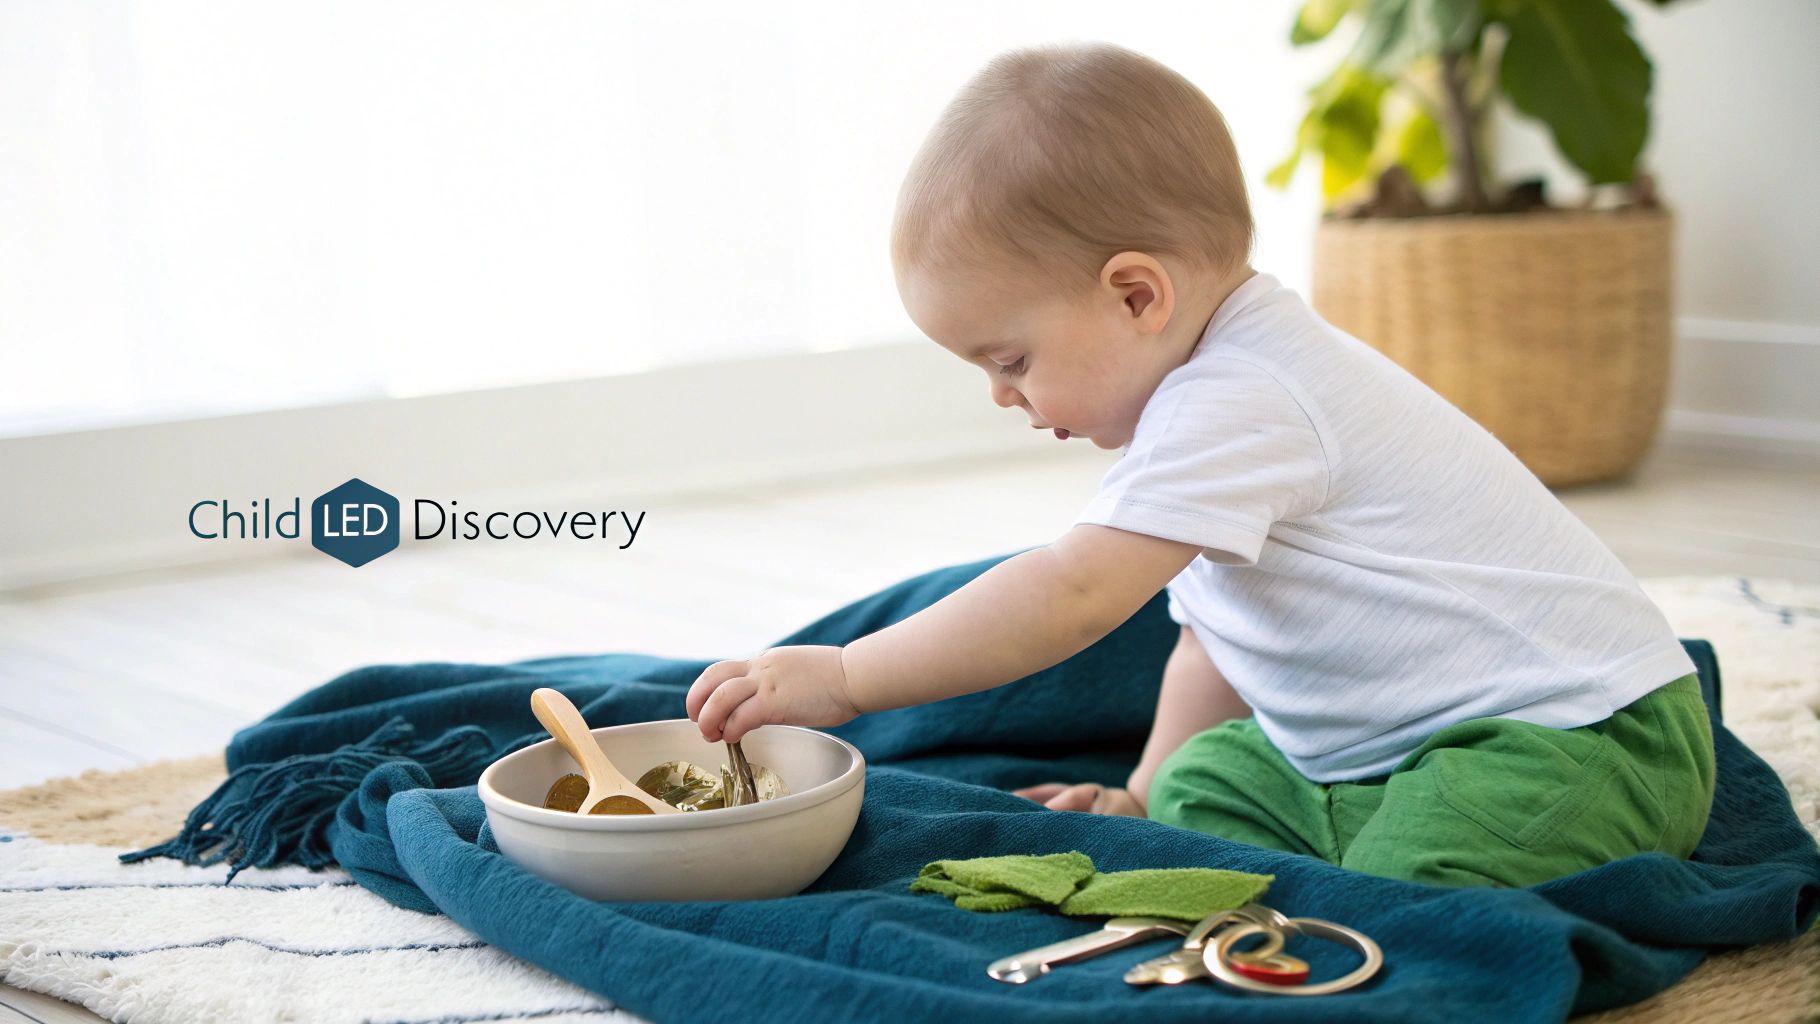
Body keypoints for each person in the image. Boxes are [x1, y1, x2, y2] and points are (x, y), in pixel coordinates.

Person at [685, 41, 1715, 889]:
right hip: (1390, 749)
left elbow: (1072, 593)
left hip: (1574, 736)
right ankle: (1304, 838)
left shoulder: (1247, 393)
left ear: (1136, 296)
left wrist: (851, 676)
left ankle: (1380, 901)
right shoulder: (1210, 399)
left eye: (1011, 360)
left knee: (1405, 892)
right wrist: (1140, 790)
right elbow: (1214, 644)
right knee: (1206, 774)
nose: (1001, 396)